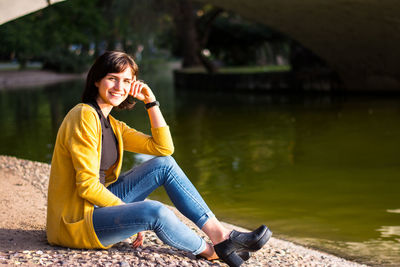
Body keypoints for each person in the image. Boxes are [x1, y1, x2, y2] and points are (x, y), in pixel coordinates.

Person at [46, 51, 272, 267]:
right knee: (155, 211)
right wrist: (127, 211)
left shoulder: (112, 124)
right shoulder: (84, 115)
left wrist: (150, 102)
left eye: (127, 81)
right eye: (112, 79)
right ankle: (210, 251)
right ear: (96, 80)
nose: (119, 87)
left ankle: (222, 237)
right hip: (76, 223)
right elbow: (87, 187)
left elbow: (163, 148)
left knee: (164, 166)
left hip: (95, 209)